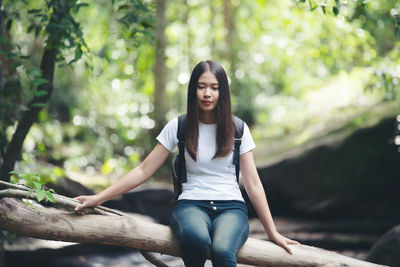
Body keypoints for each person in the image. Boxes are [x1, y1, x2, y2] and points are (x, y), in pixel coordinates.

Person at [74, 60, 299, 266]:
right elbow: (143, 170)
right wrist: (98, 197)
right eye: (201, 87)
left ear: (223, 91)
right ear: (193, 89)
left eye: (214, 87)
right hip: (191, 205)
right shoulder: (179, 126)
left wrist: (273, 232)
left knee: (222, 250)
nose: (207, 93)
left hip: (231, 207)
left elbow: (253, 184)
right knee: (196, 240)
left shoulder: (238, 129)